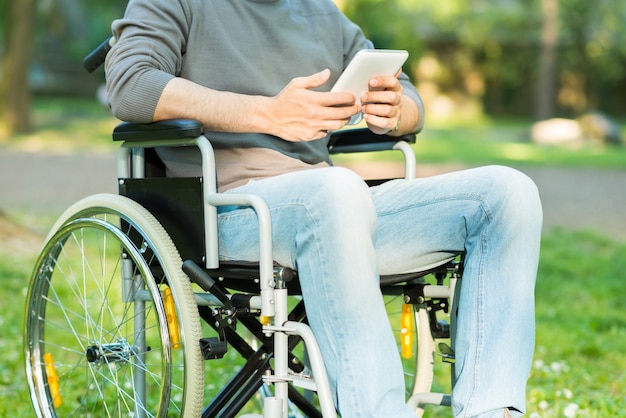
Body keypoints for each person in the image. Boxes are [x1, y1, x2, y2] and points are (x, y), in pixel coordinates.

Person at [105, 1, 543, 417]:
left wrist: (393, 111)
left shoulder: (321, 13)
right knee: (336, 190)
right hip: (229, 210)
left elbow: (412, 101)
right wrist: (267, 114)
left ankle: (492, 407)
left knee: (507, 193)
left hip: (335, 208)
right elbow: (129, 85)